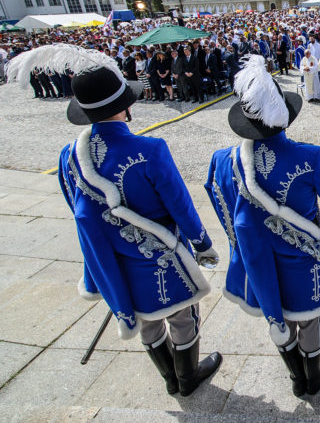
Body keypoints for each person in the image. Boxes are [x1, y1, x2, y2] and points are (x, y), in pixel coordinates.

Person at [6, 44, 222, 397]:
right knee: (182, 316)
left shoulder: (68, 156)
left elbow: (76, 207)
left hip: (115, 260)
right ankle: (187, 377)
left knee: (146, 319)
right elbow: (180, 204)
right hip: (161, 253)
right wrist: (201, 243)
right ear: (125, 106)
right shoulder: (150, 150)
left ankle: (170, 378)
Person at [205, 55, 320, 397]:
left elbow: (220, 202)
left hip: (258, 262)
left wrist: (244, 243)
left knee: (278, 317)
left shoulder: (223, 161)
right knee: (309, 319)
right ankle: (313, 378)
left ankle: (297, 377)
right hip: (303, 259)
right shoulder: (310, 156)